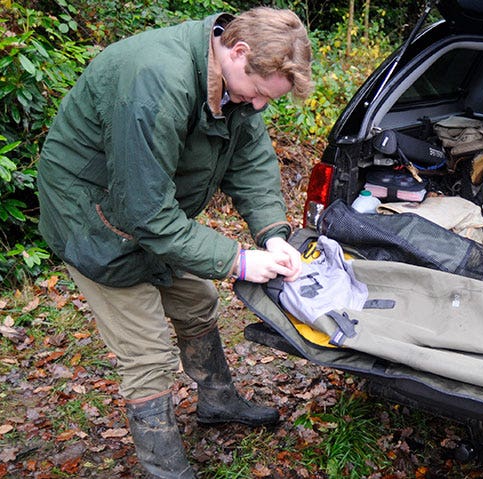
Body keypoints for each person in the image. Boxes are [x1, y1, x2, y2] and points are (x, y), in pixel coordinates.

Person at [36, 7, 312, 478]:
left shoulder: (234, 82)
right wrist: (236, 260)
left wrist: (272, 234)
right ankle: (167, 470)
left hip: (151, 213)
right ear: (238, 51)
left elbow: (250, 159)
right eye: (261, 94)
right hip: (93, 219)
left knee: (197, 302)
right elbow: (144, 212)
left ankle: (218, 401)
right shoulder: (154, 81)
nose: (261, 106)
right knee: (147, 354)